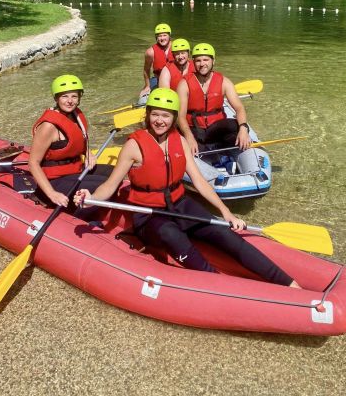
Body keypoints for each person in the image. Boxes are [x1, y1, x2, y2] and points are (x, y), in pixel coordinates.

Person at [74, 88, 299, 287]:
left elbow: (200, 182)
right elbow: (110, 185)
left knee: (224, 234)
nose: (159, 120)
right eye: (155, 114)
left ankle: (289, 284)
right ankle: (219, 284)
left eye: (166, 115)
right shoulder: (134, 146)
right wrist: (90, 196)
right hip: (149, 215)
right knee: (172, 235)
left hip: (180, 205)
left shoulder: (179, 141)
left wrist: (226, 213)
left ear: (173, 118)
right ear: (147, 114)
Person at [26, 74, 113, 210]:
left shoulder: (75, 115)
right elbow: (33, 163)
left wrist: (87, 152)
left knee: (113, 173)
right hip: (55, 180)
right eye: (64, 96)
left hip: (75, 171)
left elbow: (78, 140)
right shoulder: (48, 126)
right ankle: (78, 215)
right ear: (56, 98)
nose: (70, 101)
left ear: (79, 98)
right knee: (103, 183)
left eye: (74, 96)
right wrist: (52, 194)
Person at [177, 43, 252, 156]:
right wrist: (189, 137)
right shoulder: (184, 84)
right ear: (193, 62)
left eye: (206, 60)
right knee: (186, 143)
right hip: (194, 129)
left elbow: (239, 108)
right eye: (198, 60)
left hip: (216, 128)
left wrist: (243, 129)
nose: (202, 64)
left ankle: (239, 149)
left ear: (213, 61)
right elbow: (180, 116)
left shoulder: (224, 82)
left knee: (235, 125)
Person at [139, 23, 174, 99]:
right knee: (142, 98)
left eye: (164, 35)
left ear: (169, 36)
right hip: (159, 82)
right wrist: (147, 86)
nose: (162, 38)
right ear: (156, 38)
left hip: (175, 82)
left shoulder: (177, 49)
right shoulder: (150, 52)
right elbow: (146, 70)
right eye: (159, 36)